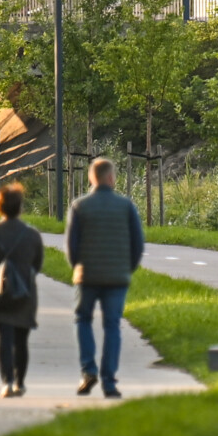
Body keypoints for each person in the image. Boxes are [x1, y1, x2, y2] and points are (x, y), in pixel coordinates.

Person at [65, 158, 144, 399]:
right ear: (111, 178)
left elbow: (71, 246)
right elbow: (138, 243)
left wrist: (78, 268)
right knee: (112, 326)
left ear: (92, 178)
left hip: (87, 275)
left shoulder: (79, 206)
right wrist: (127, 268)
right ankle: (109, 382)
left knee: (83, 320)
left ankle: (88, 370)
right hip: (117, 277)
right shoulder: (126, 206)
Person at [0, 183, 43, 398]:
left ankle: (7, 382)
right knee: (21, 341)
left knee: (3, 339)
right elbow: (37, 266)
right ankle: (20, 383)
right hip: (24, 295)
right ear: (20, 207)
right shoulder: (32, 235)